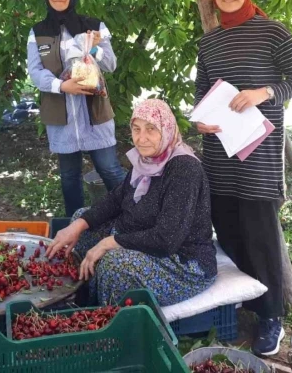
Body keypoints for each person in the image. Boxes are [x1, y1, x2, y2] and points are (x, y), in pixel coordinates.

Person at [194, 0, 292, 356]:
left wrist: (265, 93)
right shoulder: (208, 42)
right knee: (228, 229)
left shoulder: (273, 32)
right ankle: (247, 298)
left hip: (259, 155)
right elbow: (201, 95)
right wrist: (199, 123)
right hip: (219, 153)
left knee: (261, 235)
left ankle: (271, 316)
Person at [47, 99, 216, 307]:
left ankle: (107, 324)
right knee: (80, 221)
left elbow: (166, 239)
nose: (141, 138)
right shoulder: (146, 160)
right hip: (142, 235)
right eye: (136, 129)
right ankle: (82, 299)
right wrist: (78, 225)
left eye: (151, 129)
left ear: (167, 129)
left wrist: (108, 243)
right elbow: (115, 200)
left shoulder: (184, 169)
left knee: (114, 265)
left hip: (182, 261)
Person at [27, 0, 127, 216]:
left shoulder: (93, 27)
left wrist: (93, 49)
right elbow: (35, 71)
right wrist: (62, 86)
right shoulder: (38, 32)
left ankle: (130, 217)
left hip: (94, 113)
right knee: (69, 176)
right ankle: (75, 225)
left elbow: (111, 65)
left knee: (110, 169)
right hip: (60, 116)